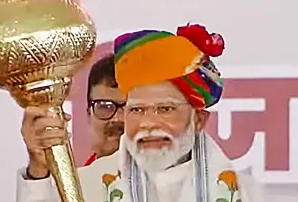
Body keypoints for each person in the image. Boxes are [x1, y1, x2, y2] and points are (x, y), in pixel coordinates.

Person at [16, 24, 265, 202]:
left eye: (165, 109)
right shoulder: (87, 185)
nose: (148, 123)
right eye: (136, 109)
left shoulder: (244, 193)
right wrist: (39, 169)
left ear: (198, 120)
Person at [84, 55, 125, 166]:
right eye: (105, 106)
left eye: (129, 107)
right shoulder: (79, 181)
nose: (117, 118)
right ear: (89, 115)